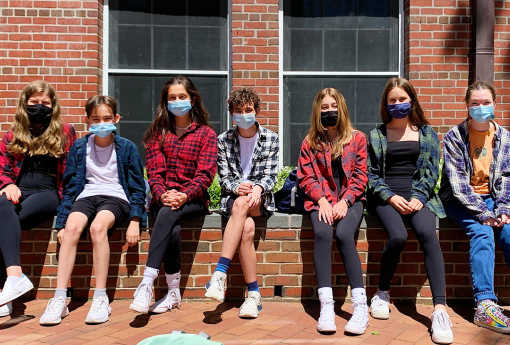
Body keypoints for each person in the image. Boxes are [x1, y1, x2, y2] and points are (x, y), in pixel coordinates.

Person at [39, 95, 146, 325]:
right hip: (86, 196)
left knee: (98, 227)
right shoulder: (79, 146)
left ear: (116, 118)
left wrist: (136, 219)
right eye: (96, 119)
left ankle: (100, 297)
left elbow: (138, 187)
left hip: (115, 196)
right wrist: (62, 223)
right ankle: (59, 298)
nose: (101, 123)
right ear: (88, 120)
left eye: (107, 118)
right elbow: (69, 188)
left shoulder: (127, 147)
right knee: (72, 228)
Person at [367, 77, 453, 344]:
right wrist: (390, 197)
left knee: (428, 234)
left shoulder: (427, 133)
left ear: (411, 101)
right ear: (386, 104)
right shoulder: (376, 135)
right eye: (392, 100)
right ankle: (382, 293)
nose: (397, 104)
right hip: (386, 198)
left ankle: (440, 310)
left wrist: (418, 197)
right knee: (398, 237)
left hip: (419, 197)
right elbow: (370, 175)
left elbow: (432, 171)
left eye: (402, 99)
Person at [130, 75, 217, 314]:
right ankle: (173, 294)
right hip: (163, 199)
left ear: (192, 99)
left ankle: (146, 283)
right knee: (173, 227)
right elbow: (154, 173)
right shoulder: (158, 133)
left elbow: (205, 175)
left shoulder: (206, 134)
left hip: (194, 200)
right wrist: (162, 194)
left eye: (182, 97)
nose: (177, 101)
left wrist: (184, 195)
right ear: (165, 102)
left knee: (168, 214)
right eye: (172, 98)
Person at [0, 81, 76, 316]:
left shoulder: (65, 132)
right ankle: (11, 284)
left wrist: (65, 215)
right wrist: (9, 184)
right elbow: (3, 170)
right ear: (25, 104)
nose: (40, 107)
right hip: (18, 191)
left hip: (47, 193)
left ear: (53, 105)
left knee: (2, 223)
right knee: (2, 203)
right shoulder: (12, 135)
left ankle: (8, 288)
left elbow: (71, 175)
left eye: (45, 103)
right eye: (34, 102)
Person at [297, 88, 369, 334]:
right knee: (323, 234)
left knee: (344, 235)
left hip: (351, 200)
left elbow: (360, 177)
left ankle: (360, 305)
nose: (329, 111)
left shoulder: (357, 139)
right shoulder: (310, 142)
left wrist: (345, 201)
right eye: (324, 107)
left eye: (333, 106)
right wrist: (322, 201)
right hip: (322, 202)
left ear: (342, 108)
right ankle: (326, 305)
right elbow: (306, 177)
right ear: (318, 111)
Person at [440, 81, 510, 334]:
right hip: (461, 201)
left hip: (492, 197)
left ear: (494, 104)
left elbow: (505, 178)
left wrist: (503, 209)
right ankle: (485, 304)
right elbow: (458, 185)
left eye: (485, 102)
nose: (480, 107)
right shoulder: (454, 137)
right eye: (475, 103)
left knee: (509, 233)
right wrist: (485, 214)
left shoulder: (504, 137)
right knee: (482, 233)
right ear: (467, 105)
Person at [205, 87, 279, 318]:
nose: (244, 114)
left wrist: (257, 188)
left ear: (256, 111)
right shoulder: (223, 140)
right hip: (235, 198)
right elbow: (224, 177)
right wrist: (238, 187)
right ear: (232, 114)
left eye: (248, 110)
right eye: (238, 111)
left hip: (260, 200)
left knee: (242, 205)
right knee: (246, 227)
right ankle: (254, 295)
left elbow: (271, 176)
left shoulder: (271, 138)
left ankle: (219, 273)